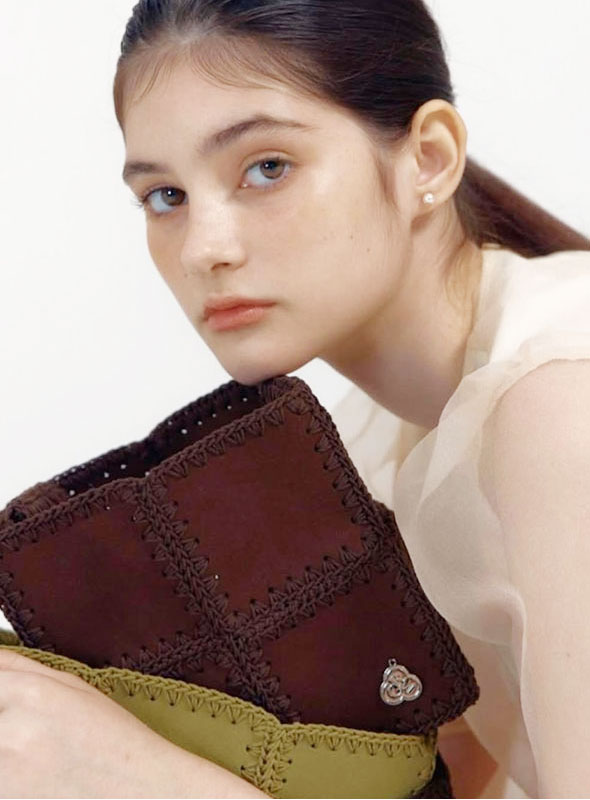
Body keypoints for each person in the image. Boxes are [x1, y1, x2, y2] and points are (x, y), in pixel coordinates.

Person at [1, 1, 589, 797]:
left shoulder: (560, 407)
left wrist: (132, 774)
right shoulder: (379, 443)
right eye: (165, 195)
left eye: (267, 167)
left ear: (428, 159)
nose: (205, 248)